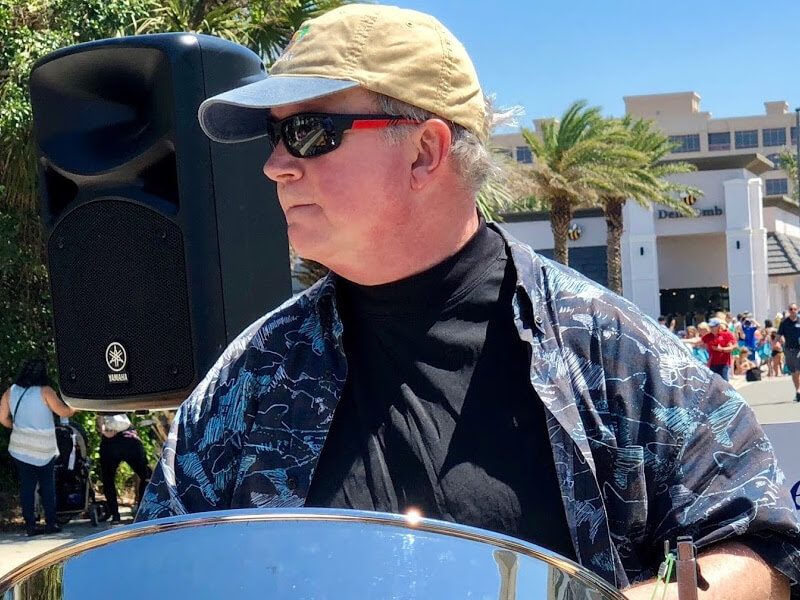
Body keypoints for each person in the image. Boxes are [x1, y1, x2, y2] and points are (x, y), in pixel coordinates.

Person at [136, 5, 800, 599]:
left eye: (309, 132)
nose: (276, 165)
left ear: (426, 151)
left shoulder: (607, 352)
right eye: (273, 136)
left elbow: (759, 542)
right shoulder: (249, 379)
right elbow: (159, 566)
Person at [0, 359, 76, 536]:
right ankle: (51, 522)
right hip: (44, 449)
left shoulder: (10, 392)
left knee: (27, 486)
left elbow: (3, 419)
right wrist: (76, 407)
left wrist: (17, 427)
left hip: (20, 448)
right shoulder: (45, 391)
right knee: (47, 485)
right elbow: (63, 412)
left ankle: (30, 525)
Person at [97, 413, 151, 521]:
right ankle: (142, 510)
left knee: (108, 480)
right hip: (128, 438)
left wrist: (103, 431)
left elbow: (100, 416)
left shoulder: (102, 398)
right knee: (147, 476)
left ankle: (115, 515)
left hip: (111, 440)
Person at [778, 303, 800, 401]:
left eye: (795, 309)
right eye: (791, 309)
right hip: (789, 349)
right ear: (788, 310)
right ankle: (798, 391)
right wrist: (780, 340)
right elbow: (779, 335)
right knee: (794, 372)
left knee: (799, 370)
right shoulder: (784, 323)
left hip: (799, 349)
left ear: (797, 310)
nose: (793, 311)